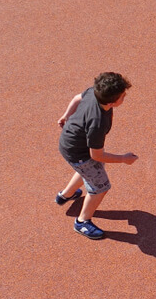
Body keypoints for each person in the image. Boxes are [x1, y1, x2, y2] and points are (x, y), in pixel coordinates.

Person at [55, 72, 138, 239]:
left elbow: (77, 98)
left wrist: (66, 115)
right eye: (123, 96)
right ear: (113, 102)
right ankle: (82, 222)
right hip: (79, 152)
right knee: (100, 187)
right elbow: (97, 155)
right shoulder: (98, 122)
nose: (125, 97)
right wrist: (123, 159)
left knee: (89, 169)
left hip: (69, 144)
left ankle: (66, 195)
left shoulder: (94, 92)